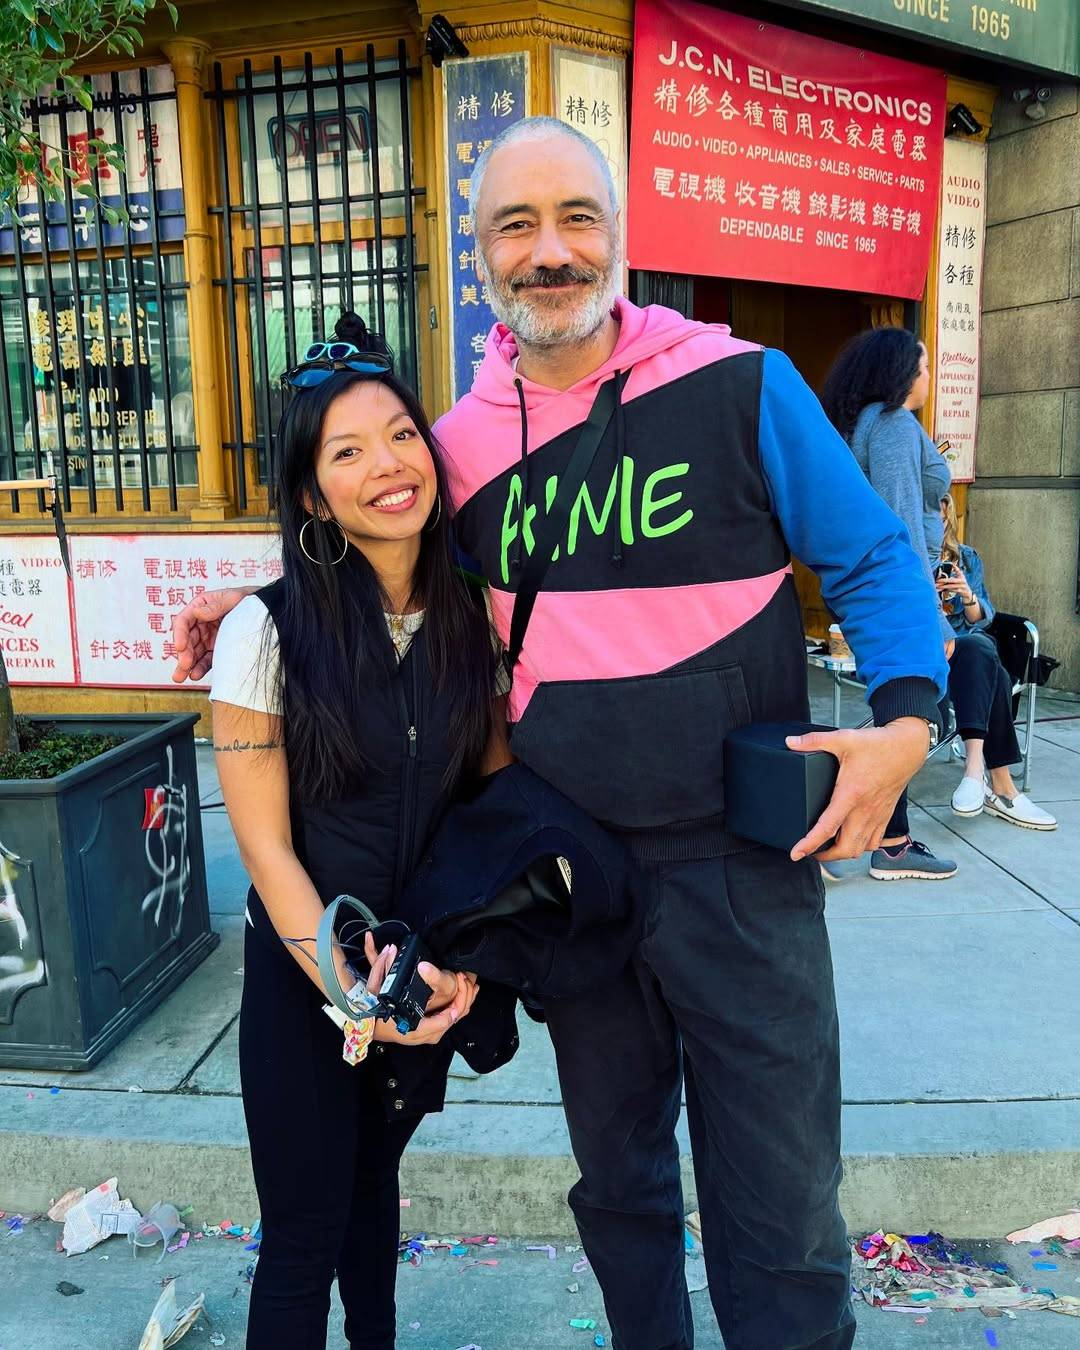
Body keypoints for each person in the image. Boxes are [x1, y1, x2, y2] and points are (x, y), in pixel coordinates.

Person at [173, 118, 950, 1350]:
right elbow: (367, 545)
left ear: (619, 234)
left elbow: (867, 554)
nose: (550, 253)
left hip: (748, 875)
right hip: (575, 878)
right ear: (479, 257)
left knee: (786, 1201)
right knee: (621, 1188)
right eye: (515, 227)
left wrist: (909, 721)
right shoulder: (457, 446)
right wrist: (250, 607)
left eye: (576, 219)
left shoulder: (743, 383)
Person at [208, 313, 512, 1350]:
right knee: (303, 1232)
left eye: (400, 435)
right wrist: (351, 991)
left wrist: (457, 966)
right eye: (347, 451)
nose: (389, 466)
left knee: (373, 1195)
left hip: (415, 970)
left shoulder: (476, 619)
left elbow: (491, 811)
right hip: (310, 979)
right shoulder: (264, 633)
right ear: (310, 494)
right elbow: (266, 852)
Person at [821, 326, 959, 881]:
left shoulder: (861, 425)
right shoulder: (896, 426)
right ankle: (882, 840)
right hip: (901, 596)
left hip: (869, 591)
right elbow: (900, 520)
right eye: (922, 367)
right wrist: (927, 615)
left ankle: (883, 835)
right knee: (912, 717)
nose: (927, 377)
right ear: (902, 373)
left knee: (893, 712)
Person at [938, 494, 1056, 829]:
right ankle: (1001, 788)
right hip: (929, 653)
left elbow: (981, 619)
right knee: (995, 672)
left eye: (942, 515)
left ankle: (977, 773)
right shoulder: (909, 554)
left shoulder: (968, 559)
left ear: (949, 517)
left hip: (968, 651)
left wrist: (966, 594)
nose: (937, 522)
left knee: (979, 646)